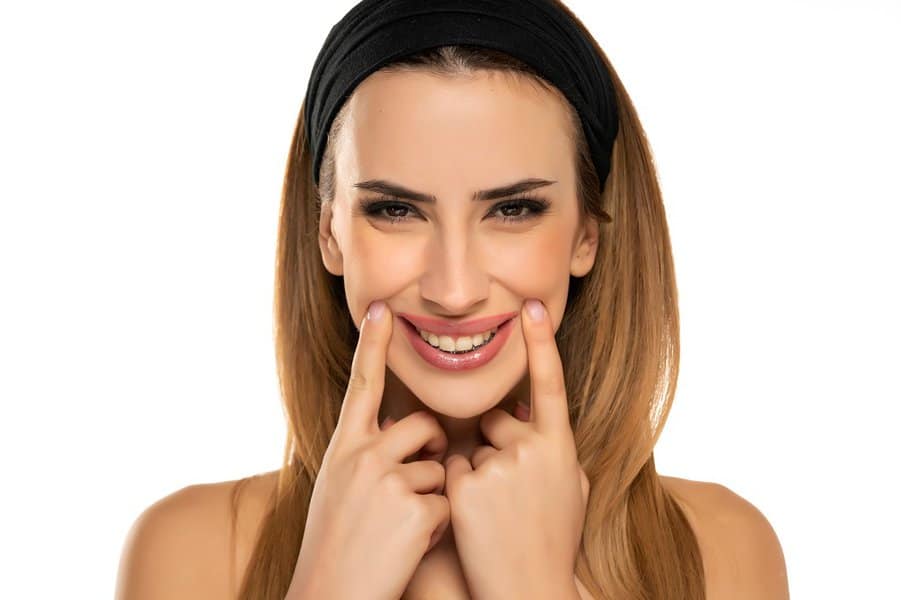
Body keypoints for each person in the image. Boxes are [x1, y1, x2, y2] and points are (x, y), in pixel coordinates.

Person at [116, 1, 789, 599]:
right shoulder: (192, 551)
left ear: (587, 232)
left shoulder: (718, 550)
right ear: (329, 233)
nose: (455, 290)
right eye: (395, 210)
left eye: (514, 209)